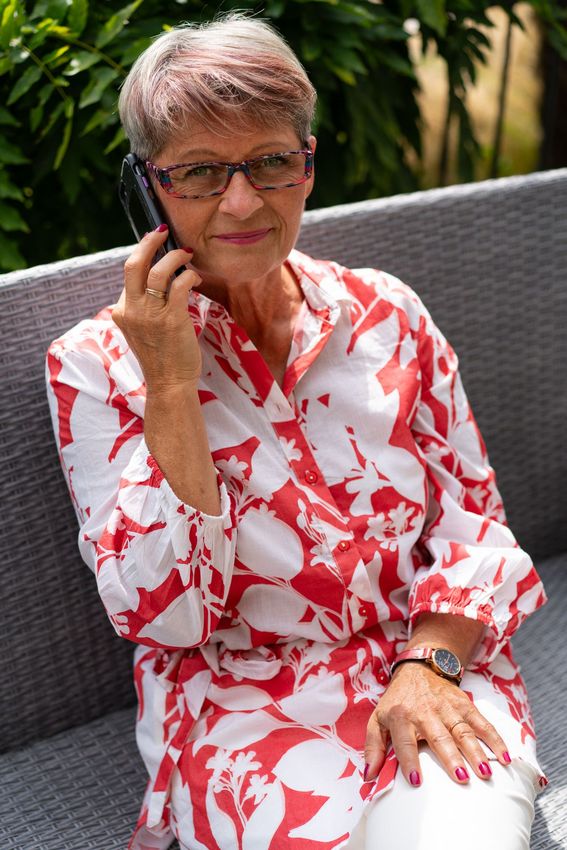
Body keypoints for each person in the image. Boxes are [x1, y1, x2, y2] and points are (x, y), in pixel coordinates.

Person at [46, 14, 547, 850]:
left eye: (271, 162)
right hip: (243, 716)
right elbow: (165, 619)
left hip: (431, 666)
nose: (241, 202)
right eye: (199, 172)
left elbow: (474, 528)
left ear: (306, 166)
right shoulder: (95, 367)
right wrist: (171, 385)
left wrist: (428, 666)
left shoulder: (388, 311)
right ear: (147, 186)